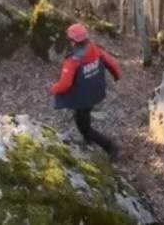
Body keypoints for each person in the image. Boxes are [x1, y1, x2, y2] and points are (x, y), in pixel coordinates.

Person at [50, 23, 121, 159]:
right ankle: (88, 140)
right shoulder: (94, 49)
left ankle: (110, 146)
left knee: (84, 128)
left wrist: (53, 89)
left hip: (83, 97)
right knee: (83, 115)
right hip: (95, 92)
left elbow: (65, 83)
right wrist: (117, 75)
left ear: (73, 41)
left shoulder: (73, 61)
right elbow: (111, 63)